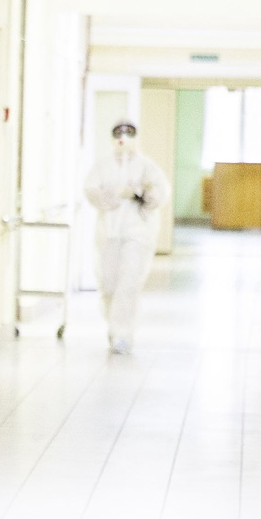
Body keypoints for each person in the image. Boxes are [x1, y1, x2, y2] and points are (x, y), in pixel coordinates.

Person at [83, 119, 174, 353]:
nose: (123, 137)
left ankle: (123, 333)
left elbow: (161, 192)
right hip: (109, 233)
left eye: (128, 132)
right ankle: (113, 327)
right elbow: (91, 190)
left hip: (138, 233)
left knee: (130, 281)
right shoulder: (102, 166)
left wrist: (142, 193)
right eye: (119, 133)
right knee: (109, 284)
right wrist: (114, 194)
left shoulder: (147, 166)